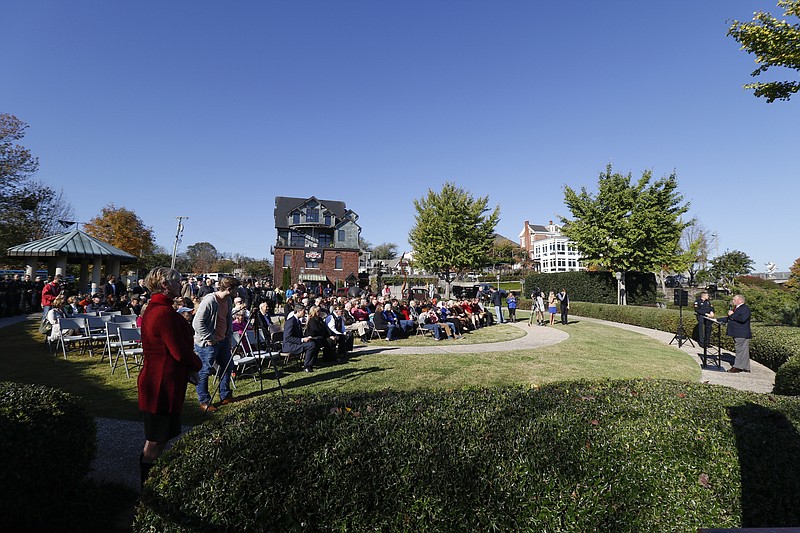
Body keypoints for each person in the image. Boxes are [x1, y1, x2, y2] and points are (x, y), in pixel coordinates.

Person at [137, 267, 202, 488]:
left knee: (160, 436)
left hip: (162, 379)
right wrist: (197, 365)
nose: (180, 284)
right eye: (177, 281)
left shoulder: (158, 310)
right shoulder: (163, 314)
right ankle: (148, 488)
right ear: (165, 285)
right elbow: (178, 351)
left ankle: (151, 483)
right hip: (160, 384)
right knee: (155, 440)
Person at [193, 276, 241, 412]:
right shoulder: (210, 301)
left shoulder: (228, 300)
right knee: (204, 371)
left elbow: (228, 320)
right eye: (236, 289)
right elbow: (197, 323)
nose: (237, 292)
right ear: (229, 289)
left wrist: (229, 336)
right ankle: (204, 401)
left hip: (223, 340)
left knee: (227, 366)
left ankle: (225, 395)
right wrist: (210, 337)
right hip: (207, 343)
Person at [282, 304, 319, 372]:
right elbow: (287, 338)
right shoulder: (290, 322)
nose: (305, 313)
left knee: (315, 342)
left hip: (295, 343)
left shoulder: (297, 321)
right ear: (298, 311)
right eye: (303, 311)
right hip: (289, 345)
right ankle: (307, 366)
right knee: (311, 345)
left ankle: (311, 364)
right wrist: (302, 340)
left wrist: (306, 338)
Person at [726, 294, 752, 373]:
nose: (733, 301)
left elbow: (742, 319)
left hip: (741, 333)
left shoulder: (744, 309)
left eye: (734, 300)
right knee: (743, 350)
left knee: (740, 350)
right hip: (738, 332)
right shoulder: (737, 308)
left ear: (740, 301)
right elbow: (731, 318)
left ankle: (737, 367)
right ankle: (745, 367)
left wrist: (732, 315)